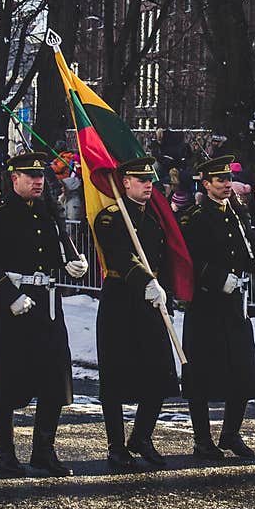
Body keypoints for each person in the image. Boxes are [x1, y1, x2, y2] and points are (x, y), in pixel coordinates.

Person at [0, 152, 89, 478]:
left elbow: (58, 248)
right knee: (7, 380)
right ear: (14, 178)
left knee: (53, 377)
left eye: (40, 177)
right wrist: (9, 295)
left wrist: (70, 262)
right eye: (30, 176)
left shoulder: (49, 212)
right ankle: (6, 455)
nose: (38, 182)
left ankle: (43, 452)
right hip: (9, 306)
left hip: (46, 304)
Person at [179, 155, 255, 460]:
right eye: (219, 181)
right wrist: (218, 278)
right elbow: (189, 261)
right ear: (206, 184)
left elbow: (243, 249)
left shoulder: (236, 213)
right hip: (206, 304)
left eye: (227, 180)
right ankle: (202, 439)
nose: (225, 185)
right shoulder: (193, 217)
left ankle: (231, 433)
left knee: (242, 371)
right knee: (201, 375)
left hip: (234, 305)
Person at [93, 156, 180, 471]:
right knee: (115, 377)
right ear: (125, 182)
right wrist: (146, 281)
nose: (148, 186)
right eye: (141, 180)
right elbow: (120, 253)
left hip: (150, 301)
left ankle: (142, 436)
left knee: (159, 373)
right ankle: (116, 445)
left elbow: (162, 256)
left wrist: (166, 288)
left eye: (150, 181)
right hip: (121, 300)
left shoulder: (154, 218)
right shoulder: (110, 217)